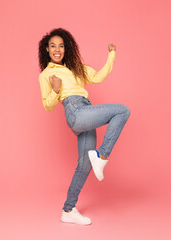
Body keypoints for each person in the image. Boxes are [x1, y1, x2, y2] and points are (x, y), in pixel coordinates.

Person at [38, 28, 130, 225]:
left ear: (66, 48)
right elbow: (47, 105)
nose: (57, 49)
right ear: (47, 49)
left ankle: (68, 210)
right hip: (75, 113)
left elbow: (97, 77)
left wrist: (111, 55)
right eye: (53, 46)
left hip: (86, 111)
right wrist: (55, 91)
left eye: (61, 46)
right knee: (122, 111)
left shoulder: (75, 68)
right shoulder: (47, 74)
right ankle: (102, 155)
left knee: (84, 165)